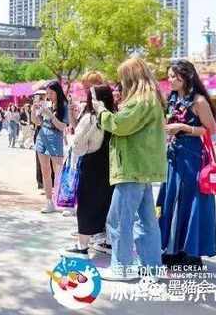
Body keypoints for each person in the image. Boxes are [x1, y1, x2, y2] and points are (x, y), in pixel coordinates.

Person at [94, 58, 166, 281]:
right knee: (146, 221)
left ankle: (122, 267)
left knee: (119, 220)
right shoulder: (151, 99)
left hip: (132, 167)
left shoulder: (140, 101)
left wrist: (101, 111)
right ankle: (152, 267)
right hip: (143, 168)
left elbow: (119, 125)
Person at [158, 60, 216, 267]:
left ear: (186, 77)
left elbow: (211, 130)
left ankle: (191, 253)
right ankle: (172, 249)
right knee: (171, 198)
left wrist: (184, 127)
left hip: (192, 157)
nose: (170, 80)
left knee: (190, 201)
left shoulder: (198, 101)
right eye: (169, 76)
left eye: (174, 76)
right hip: (173, 155)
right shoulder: (173, 99)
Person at [63, 85, 115, 258]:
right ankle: (106, 240)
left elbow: (77, 145)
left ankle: (82, 245)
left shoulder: (90, 118)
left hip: (91, 165)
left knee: (86, 205)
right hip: (110, 166)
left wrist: (70, 138)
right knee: (106, 204)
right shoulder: (114, 117)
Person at [31, 81, 69, 213]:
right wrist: (33, 110)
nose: (49, 96)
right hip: (42, 138)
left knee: (58, 172)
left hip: (55, 140)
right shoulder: (47, 104)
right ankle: (49, 202)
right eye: (47, 93)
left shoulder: (64, 106)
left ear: (58, 92)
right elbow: (37, 122)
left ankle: (63, 202)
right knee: (45, 171)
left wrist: (50, 115)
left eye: (51, 93)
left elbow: (62, 127)